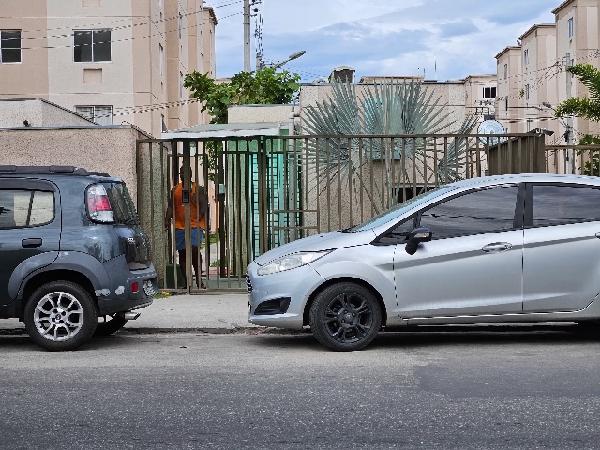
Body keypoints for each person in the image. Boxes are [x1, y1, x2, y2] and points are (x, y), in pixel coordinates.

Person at [164, 165, 207, 289]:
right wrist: (167, 220)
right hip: (180, 226)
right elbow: (171, 206)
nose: (184, 175)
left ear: (191, 174)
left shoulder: (198, 189)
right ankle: (187, 282)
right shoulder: (175, 190)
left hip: (195, 225)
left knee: (194, 250)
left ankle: (199, 280)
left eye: (186, 173)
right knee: (182, 253)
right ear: (180, 175)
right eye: (182, 173)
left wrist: (200, 216)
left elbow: (204, 205)